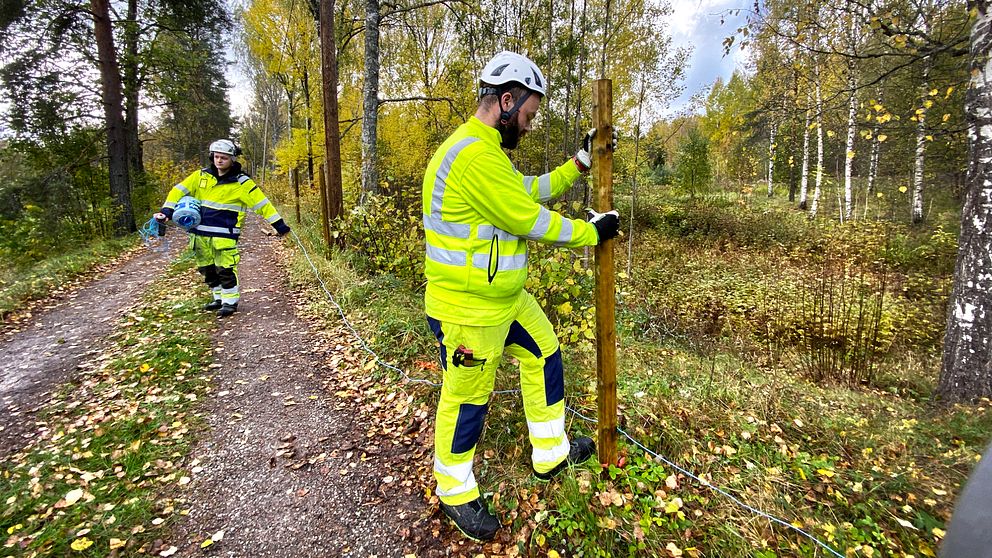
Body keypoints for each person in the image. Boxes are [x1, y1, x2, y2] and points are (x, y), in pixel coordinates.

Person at [421, 51, 621, 542]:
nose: (529, 126)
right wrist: (590, 232)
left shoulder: (488, 153)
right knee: (467, 399)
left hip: (503, 301)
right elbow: (525, 219)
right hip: (468, 312)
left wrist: (578, 162)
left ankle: (550, 453)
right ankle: (454, 489)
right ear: (506, 101)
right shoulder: (473, 155)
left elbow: (529, 191)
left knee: (546, 352)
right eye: (529, 115)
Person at [154, 139, 290, 318]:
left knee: (225, 269)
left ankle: (230, 302)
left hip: (224, 235)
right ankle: (218, 298)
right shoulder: (199, 177)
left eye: (224, 158)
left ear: (232, 159)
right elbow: (177, 191)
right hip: (199, 233)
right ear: (212, 157)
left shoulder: (242, 183)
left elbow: (263, 205)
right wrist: (166, 212)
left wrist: (280, 226)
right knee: (207, 269)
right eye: (217, 157)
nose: (219, 161)